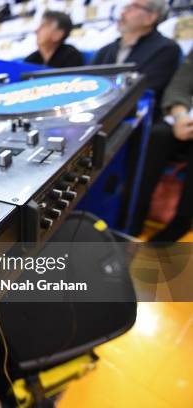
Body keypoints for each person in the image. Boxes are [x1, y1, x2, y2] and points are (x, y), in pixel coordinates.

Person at [131, 50, 193, 242]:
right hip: (186, 117)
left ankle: (182, 221)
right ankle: (134, 217)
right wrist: (180, 115)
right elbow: (179, 87)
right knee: (157, 135)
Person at [91, 0, 181, 109]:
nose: (122, 13)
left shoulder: (166, 49)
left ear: (150, 18)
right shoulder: (105, 51)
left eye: (132, 8)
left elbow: (146, 90)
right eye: (125, 8)